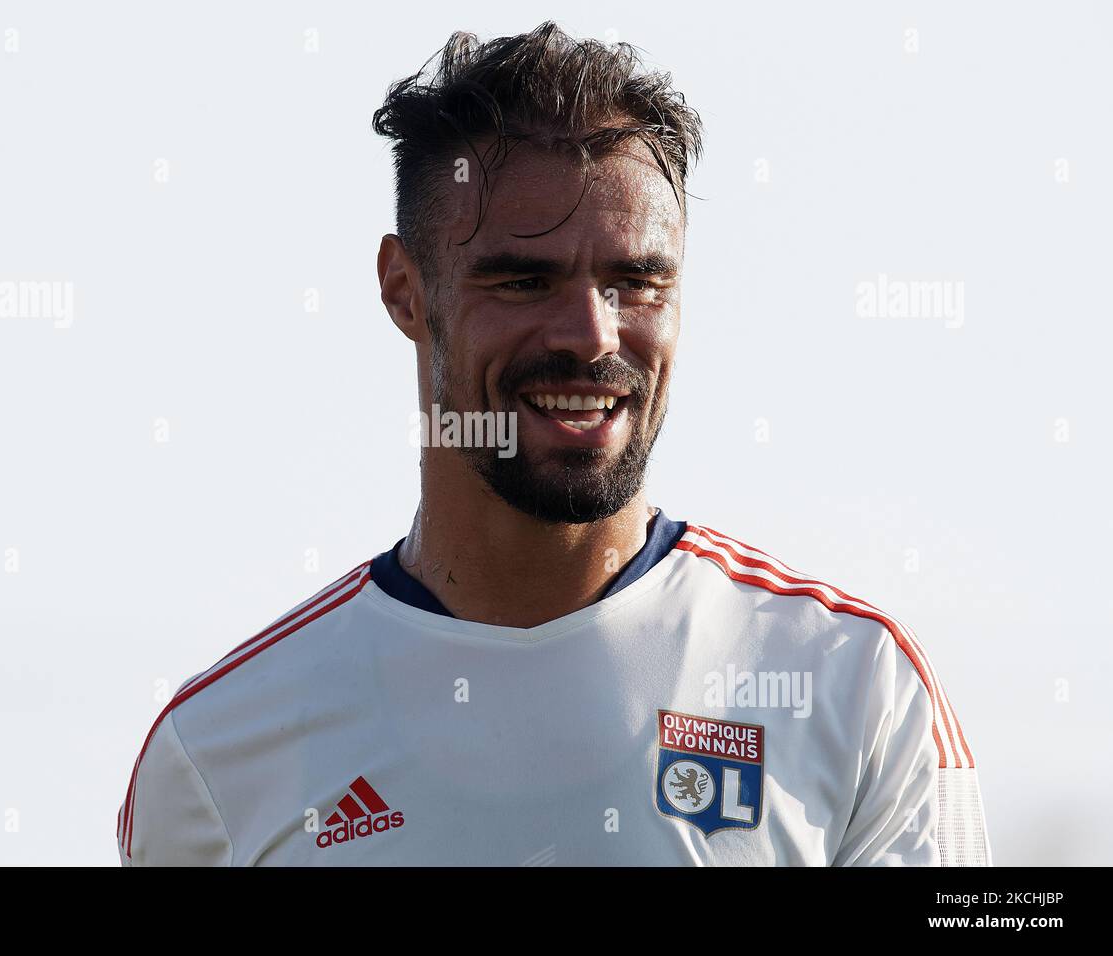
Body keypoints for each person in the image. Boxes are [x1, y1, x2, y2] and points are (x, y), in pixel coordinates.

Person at [117, 21, 990, 866]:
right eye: (524, 279)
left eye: (636, 281)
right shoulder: (220, 755)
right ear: (404, 291)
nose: (591, 336)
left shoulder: (853, 686)